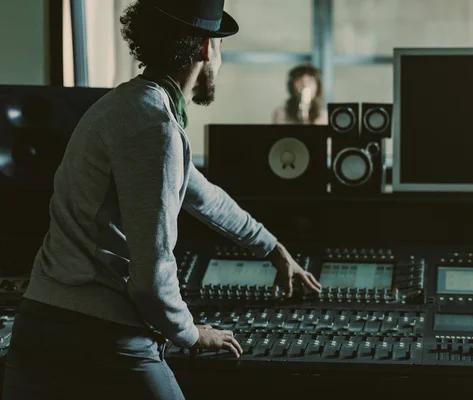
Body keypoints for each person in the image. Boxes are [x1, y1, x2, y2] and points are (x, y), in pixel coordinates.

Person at [2, 1, 321, 399]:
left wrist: (272, 248)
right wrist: (192, 334)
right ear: (206, 48)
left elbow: (206, 198)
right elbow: (151, 278)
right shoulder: (156, 130)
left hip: (38, 329)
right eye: (219, 50)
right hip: (104, 338)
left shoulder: (124, 105)